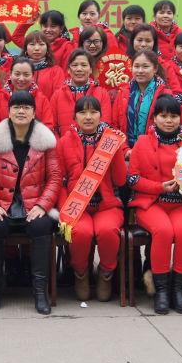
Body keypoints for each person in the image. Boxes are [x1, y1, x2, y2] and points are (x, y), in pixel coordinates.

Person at [0, 91, 61, 314]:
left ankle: (40, 292)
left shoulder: (46, 142)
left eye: (26, 107)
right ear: (9, 112)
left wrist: (42, 206)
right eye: (16, 107)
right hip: (3, 203)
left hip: (34, 204)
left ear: (34, 112)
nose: (21, 111)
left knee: (41, 226)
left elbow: (55, 178)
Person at [128, 95, 182, 314]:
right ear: (154, 118)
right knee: (163, 231)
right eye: (163, 116)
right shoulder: (142, 142)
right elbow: (133, 179)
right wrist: (159, 187)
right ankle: (161, 290)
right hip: (152, 202)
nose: (169, 121)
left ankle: (179, 289)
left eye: (174, 116)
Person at [58, 96, 126, 302]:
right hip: (77, 205)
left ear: (100, 115)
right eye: (82, 112)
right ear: (74, 116)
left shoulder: (110, 141)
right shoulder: (65, 142)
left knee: (107, 231)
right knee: (81, 232)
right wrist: (65, 209)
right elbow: (59, 180)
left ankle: (106, 274)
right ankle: (81, 274)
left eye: (93, 112)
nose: (88, 117)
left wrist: (117, 150)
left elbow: (120, 180)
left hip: (106, 205)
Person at [112, 50, 171, 148]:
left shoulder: (165, 94)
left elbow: (168, 127)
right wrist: (125, 149)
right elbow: (115, 125)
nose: (140, 71)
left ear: (155, 68)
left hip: (153, 150)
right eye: (136, 66)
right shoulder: (123, 93)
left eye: (145, 66)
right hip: (126, 150)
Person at [50, 49, 112, 137]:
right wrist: (62, 144)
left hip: (96, 144)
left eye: (84, 65)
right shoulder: (57, 95)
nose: (79, 69)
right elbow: (53, 128)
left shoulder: (102, 93)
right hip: (65, 144)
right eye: (74, 65)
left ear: (90, 70)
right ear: (68, 70)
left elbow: (105, 125)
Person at [0, 57, 55, 131]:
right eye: (17, 74)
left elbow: (48, 128)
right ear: (10, 74)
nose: (21, 79)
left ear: (33, 76)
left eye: (26, 75)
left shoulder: (42, 100)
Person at [21, 31, 66, 100]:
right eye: (32, 44)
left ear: (47, 48)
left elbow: (58, 97)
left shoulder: (56, 71)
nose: (37, 48)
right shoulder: (18, 69)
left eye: (41, 44)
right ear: (25, 48)